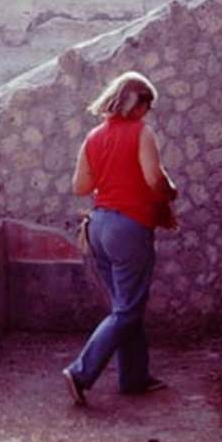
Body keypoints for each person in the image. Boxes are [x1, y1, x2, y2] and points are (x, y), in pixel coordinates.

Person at [62, 71, 178, 406]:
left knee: (126, 305)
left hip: (98, 226)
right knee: (127, 309)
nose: (149, 111)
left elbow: (80, 187)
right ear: (136, 101)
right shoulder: (142, 133)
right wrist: (171, 192)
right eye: (148, 103)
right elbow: (155, 181)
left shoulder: (93, 136)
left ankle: (134, 378)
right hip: (129, 227)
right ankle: (80, 373)